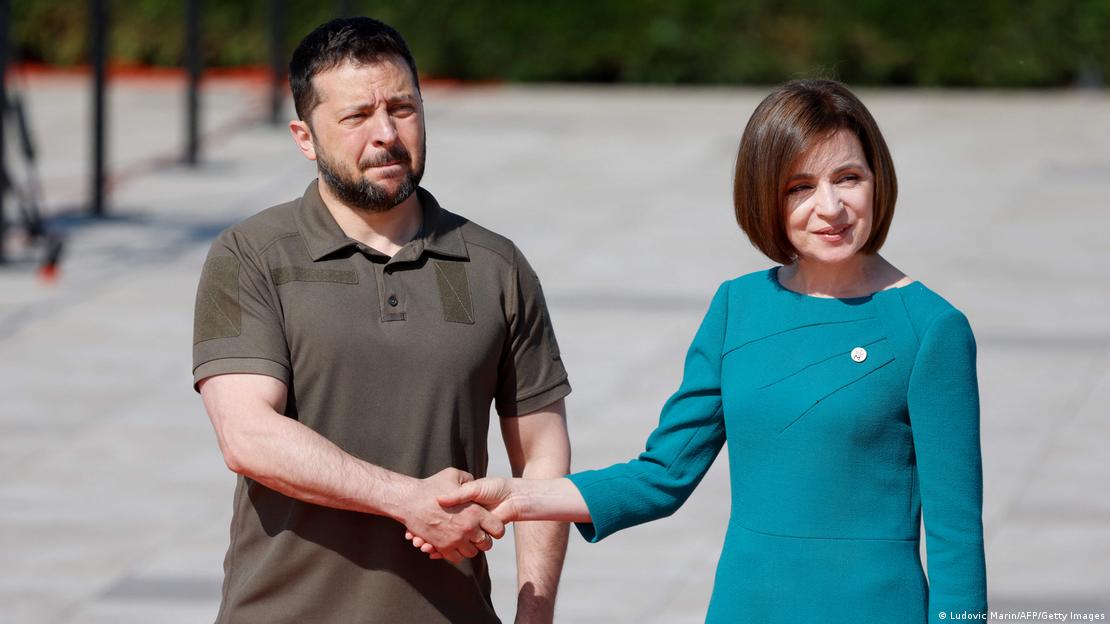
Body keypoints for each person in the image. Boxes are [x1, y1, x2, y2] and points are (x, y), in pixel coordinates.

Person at [413, 79, 988, 624]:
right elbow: (662, 475)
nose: (831, 207)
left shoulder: (930, 329)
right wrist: (517, 496)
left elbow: (956, 537)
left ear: (877, 180)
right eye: (800, 187)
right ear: (765, 195)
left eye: (849, 178)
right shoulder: (737, 308)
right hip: (745, 607)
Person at [191, 17, 572, 624]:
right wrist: (406, 500)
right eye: (355, 116)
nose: (386, 134)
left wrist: (536, 614)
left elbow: (542, 458)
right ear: (304, 137)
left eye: (403, 108)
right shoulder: (251, 256)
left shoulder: (496, 265)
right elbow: (248, 437)